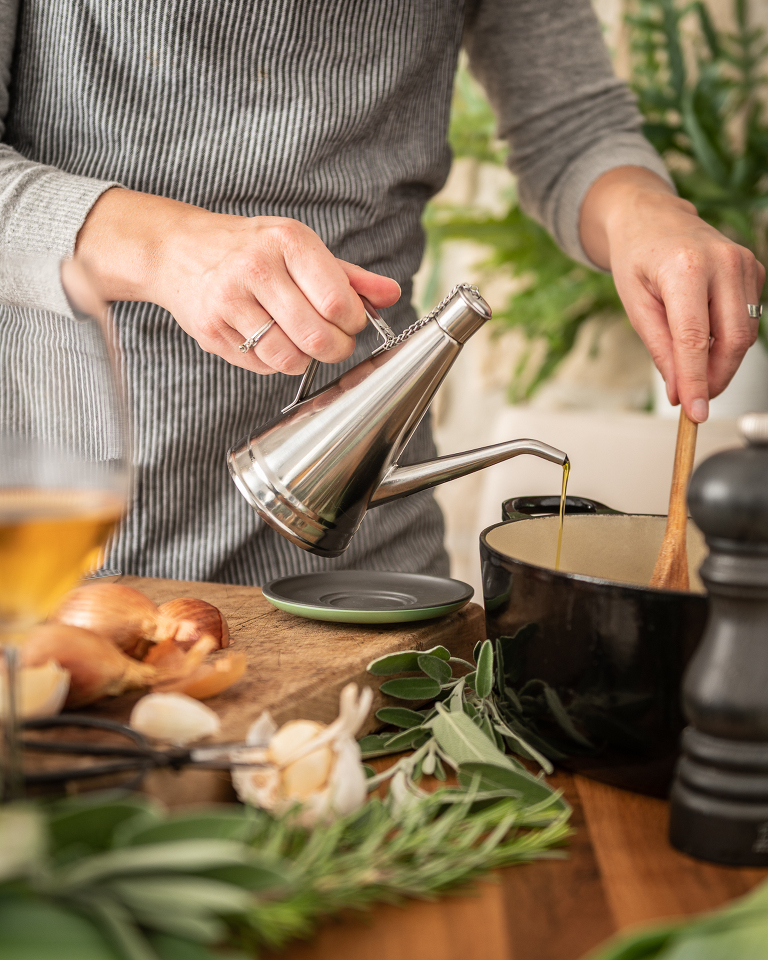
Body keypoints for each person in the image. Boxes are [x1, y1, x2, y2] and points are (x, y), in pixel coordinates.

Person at [0, 0, 763, 585]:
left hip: (368, 562)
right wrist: (167, 249)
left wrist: (651, 216)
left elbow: (574, 124)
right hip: (61, 543)